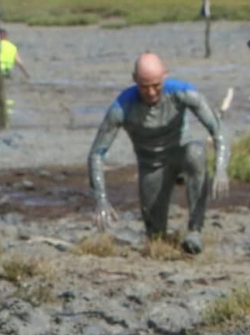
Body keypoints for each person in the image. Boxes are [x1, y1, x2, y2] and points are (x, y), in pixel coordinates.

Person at [87, 52, 229, 254]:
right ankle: (161, 236)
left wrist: (221, 167)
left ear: (165, 76)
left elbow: (218, 130)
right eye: (144, 87)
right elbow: (96, 154)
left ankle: (195, 230)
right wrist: (100, 198)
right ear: (134, 79)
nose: (152, 93)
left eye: (156, 85)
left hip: (181, 152)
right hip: (151, 165)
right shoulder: (122, 107)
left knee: (196, 152)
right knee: (156, 239)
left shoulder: (183, 93)